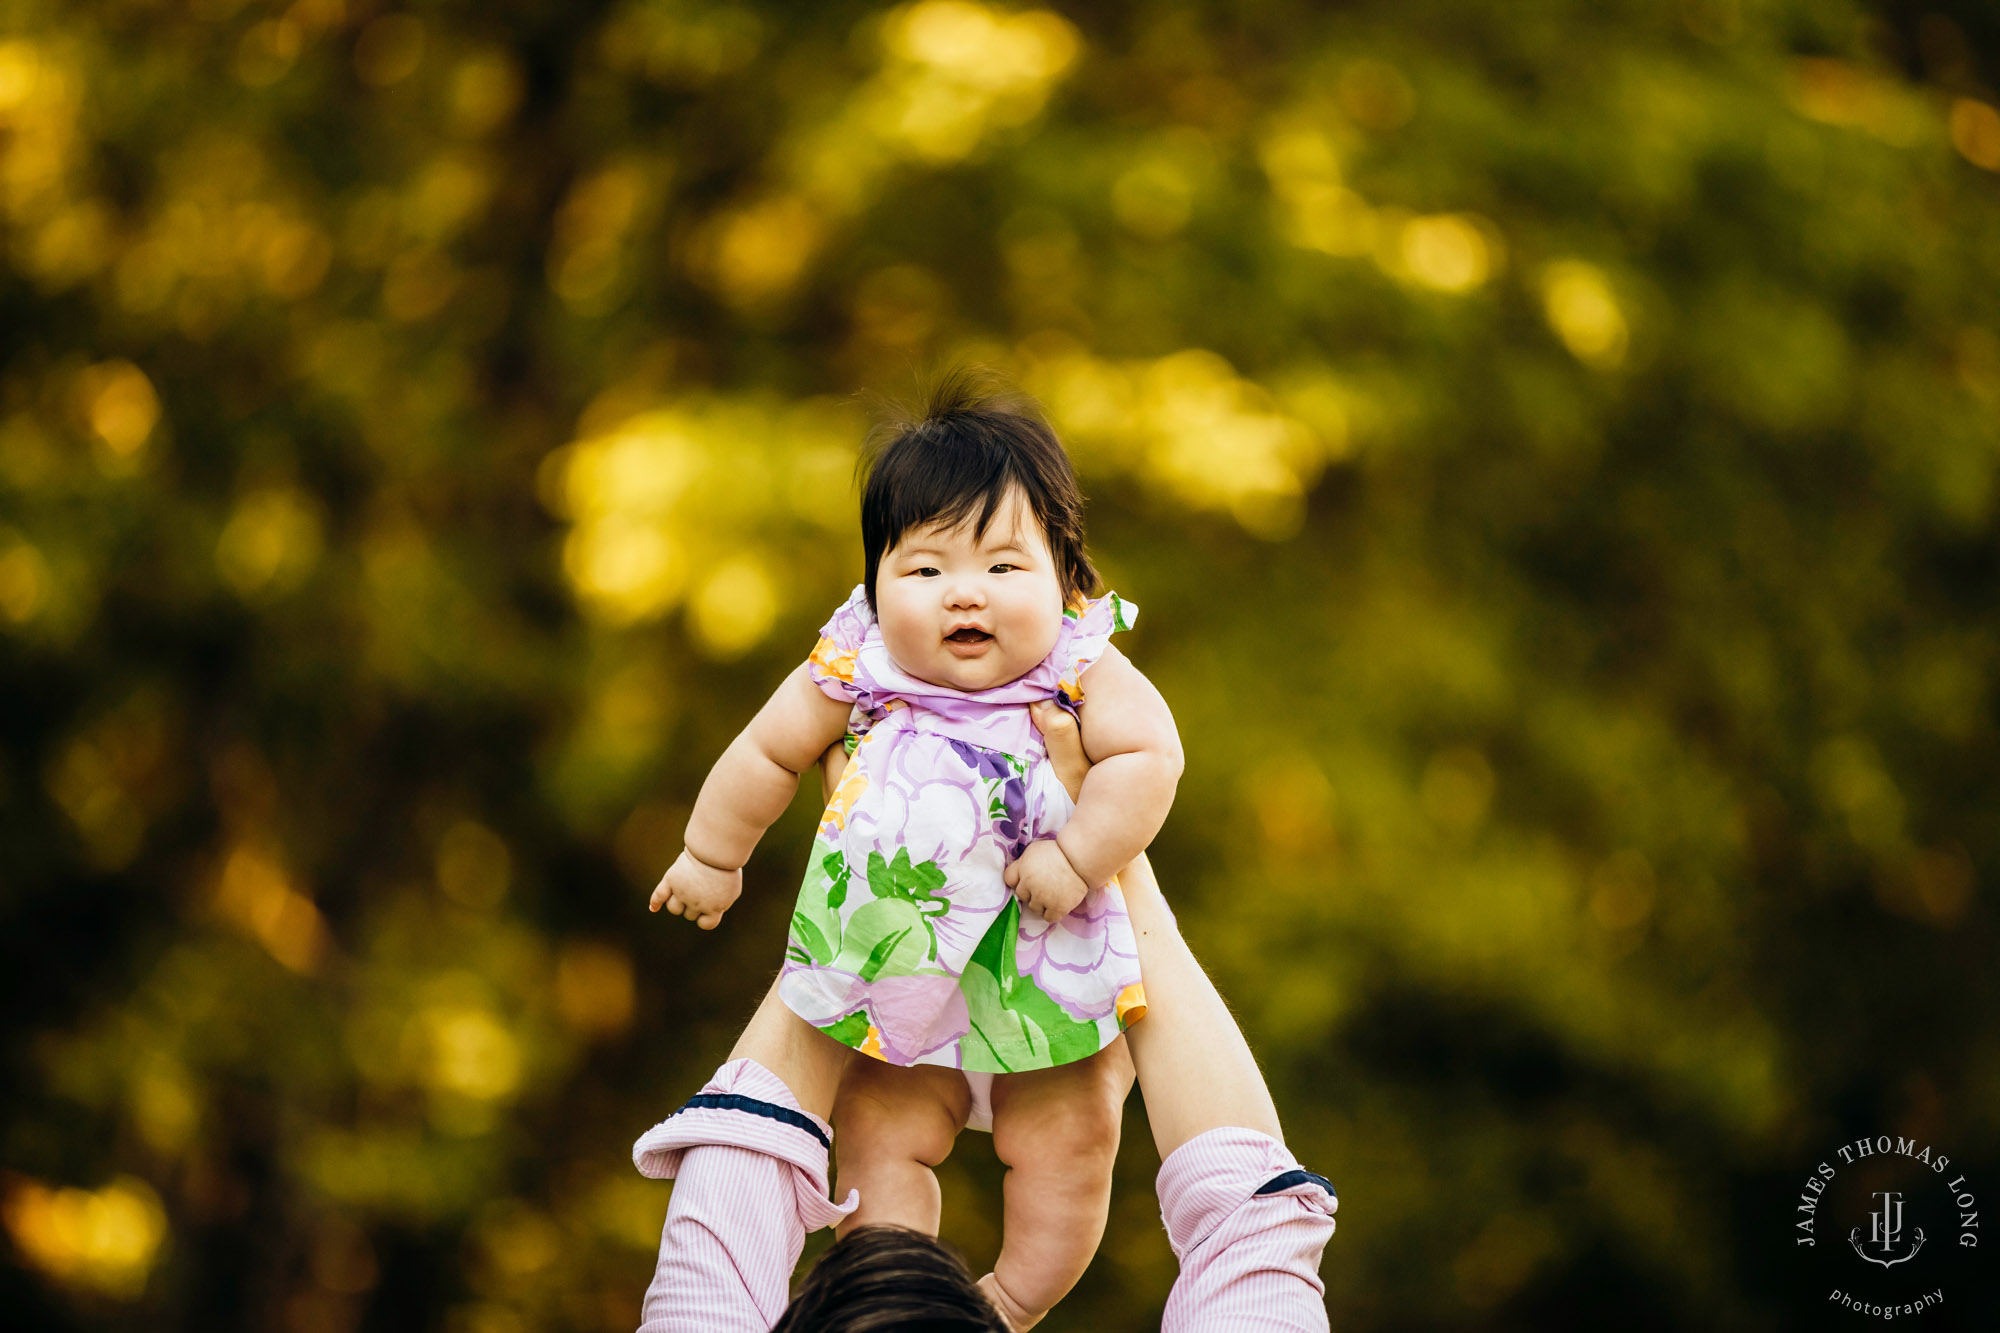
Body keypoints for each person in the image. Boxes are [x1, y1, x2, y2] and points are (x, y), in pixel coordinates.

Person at [646, 371, 1184, 1326]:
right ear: (875, 583)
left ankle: (1012, 1302)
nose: (962, 596)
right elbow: (769, 749)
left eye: (1002, 568)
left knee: (1070, 1142)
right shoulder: (859, 658)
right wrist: (710, 854)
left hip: (1043, 957)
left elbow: (1151, 756)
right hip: (901, 963)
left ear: (1066, 576)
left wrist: (1077, 854)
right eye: (926, 569)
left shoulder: (1078, 658)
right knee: (877, 1133)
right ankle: (897, 1307)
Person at [632, 700, 1338, 1331]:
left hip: (936, 970)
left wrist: (853, 877)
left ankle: (990, 1287)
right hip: (1031, 961)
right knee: (978, 1136)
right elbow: (1252, 1221)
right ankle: (1013, 1295)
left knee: (1006, 1144)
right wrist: (1111, 859)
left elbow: (734, 1180)